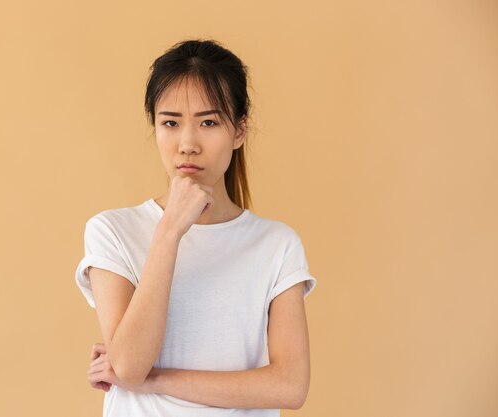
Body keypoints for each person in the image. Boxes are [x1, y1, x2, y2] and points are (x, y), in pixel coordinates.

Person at [75, 39, 318, 416]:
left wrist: (154, 379)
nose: (187, 143)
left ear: (239, 132)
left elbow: (289, 386)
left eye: (208, 122)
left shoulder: (276, 245)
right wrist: (170, 229)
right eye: (170, 122)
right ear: (154, 128)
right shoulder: (113, 231)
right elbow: (128, 365)